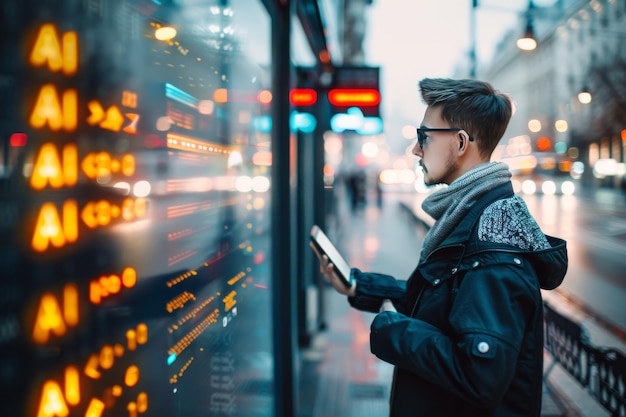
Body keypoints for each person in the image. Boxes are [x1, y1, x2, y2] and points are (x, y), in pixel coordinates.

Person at [311, 78, 568, 417]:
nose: (417, 150)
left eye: (424, 137)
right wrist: (361, 286)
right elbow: (446, 302)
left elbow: (479, 376)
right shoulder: (475, 218)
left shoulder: (492, 249)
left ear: (460, 143)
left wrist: (392, 329)